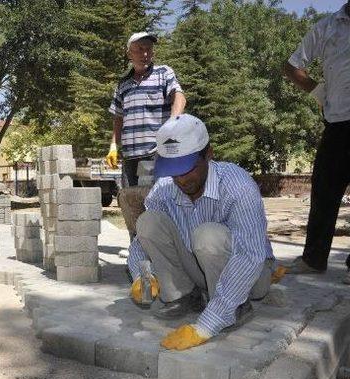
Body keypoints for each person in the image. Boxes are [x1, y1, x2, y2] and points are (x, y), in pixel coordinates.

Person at [128, 114, 276, 351]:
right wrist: (141, 276)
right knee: (148, 222)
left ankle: (234, 307)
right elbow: (140, 244)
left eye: (187, 169)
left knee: (206, 236)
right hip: (200, 269)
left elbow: (249, 256)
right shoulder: (165, 188)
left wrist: (206, 325)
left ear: (209, 154)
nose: (181, 179)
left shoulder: (238, 186)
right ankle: (184, 296)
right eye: (173, 170)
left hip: (250, 275)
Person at [283, 1, 350, 285]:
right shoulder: (328, 27)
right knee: (324, 191)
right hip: (337, 121)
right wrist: (318, 92)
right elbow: (291, 66)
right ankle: (313, 259)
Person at [106, 31, 186, 256]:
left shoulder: (163, 73)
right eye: (140, 49)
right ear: (129, 53)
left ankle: (161, 248)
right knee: (131, 203)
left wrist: (173, 123)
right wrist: (113, 145)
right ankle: (137, 247)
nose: (145, 53)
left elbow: (179, 97)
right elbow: (118, 117)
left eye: (149, 48)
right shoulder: (123, 84)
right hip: (130, 155)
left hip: (155, 154)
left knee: (156, 201)